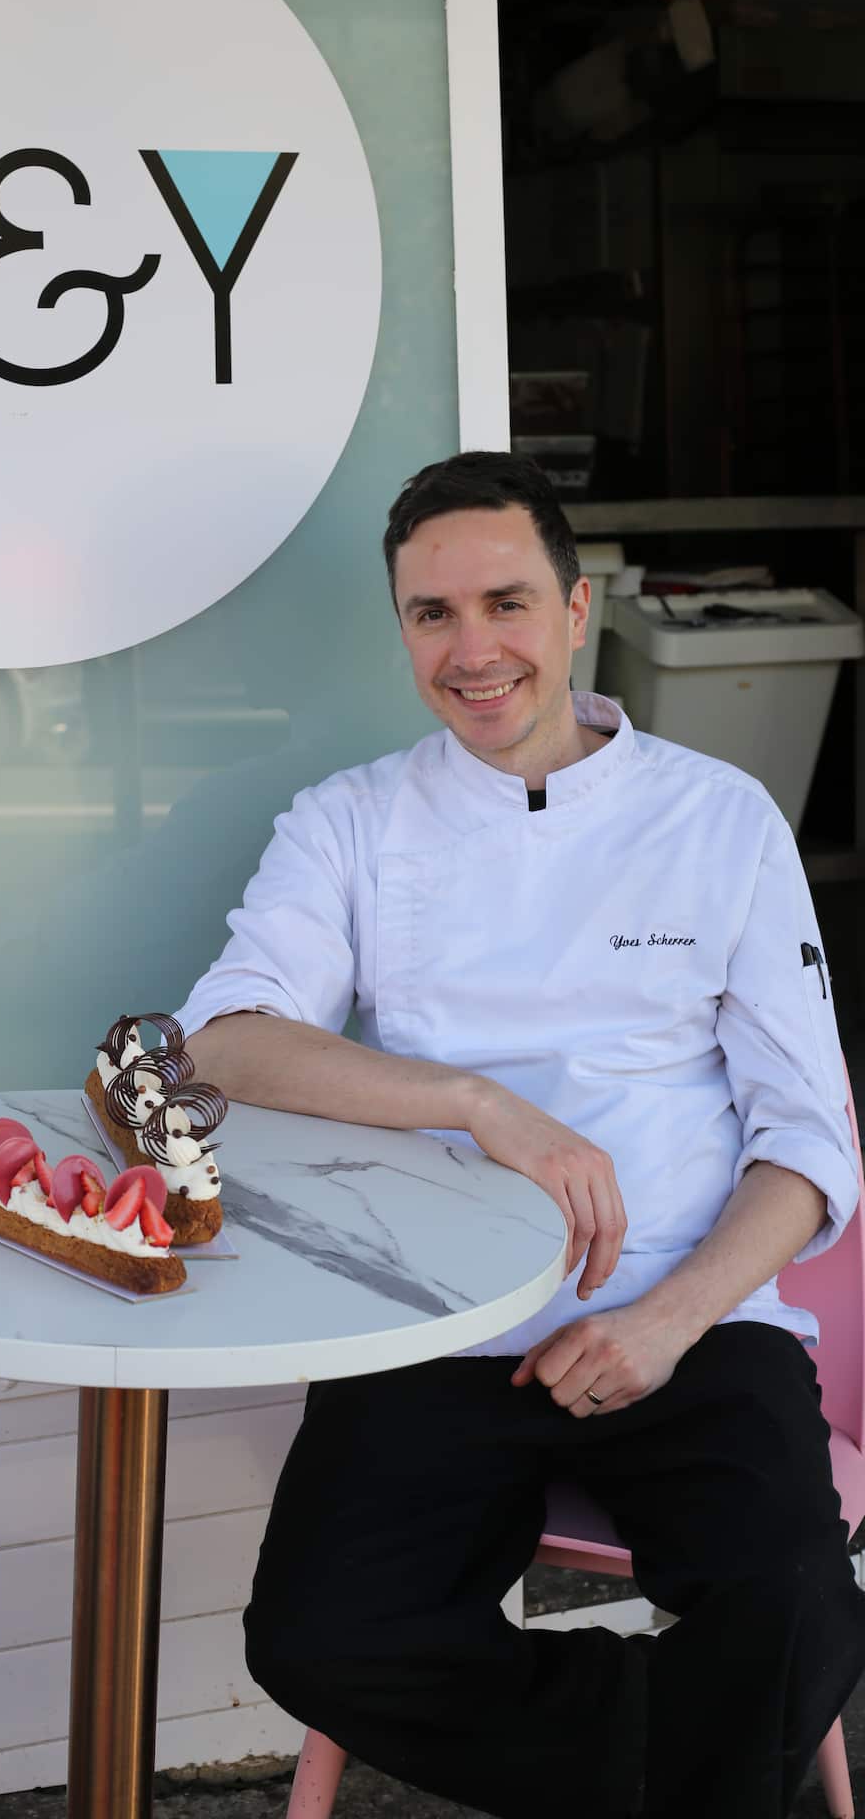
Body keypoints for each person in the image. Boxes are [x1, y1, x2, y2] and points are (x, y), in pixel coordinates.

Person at [170, 451, 865, 1819]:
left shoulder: (718, 818)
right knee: (316, 1637)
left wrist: (666, 1321)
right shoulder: (353, 823)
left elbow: (808, 1142)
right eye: (433, 615)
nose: (473, 649)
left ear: (576, 610)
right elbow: (222, 1043)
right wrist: (480, 1105)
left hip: (691, 1321)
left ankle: (691, 1754)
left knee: (792, 1605)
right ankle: (689, 1769)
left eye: (505, 603)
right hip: (435, 1329)